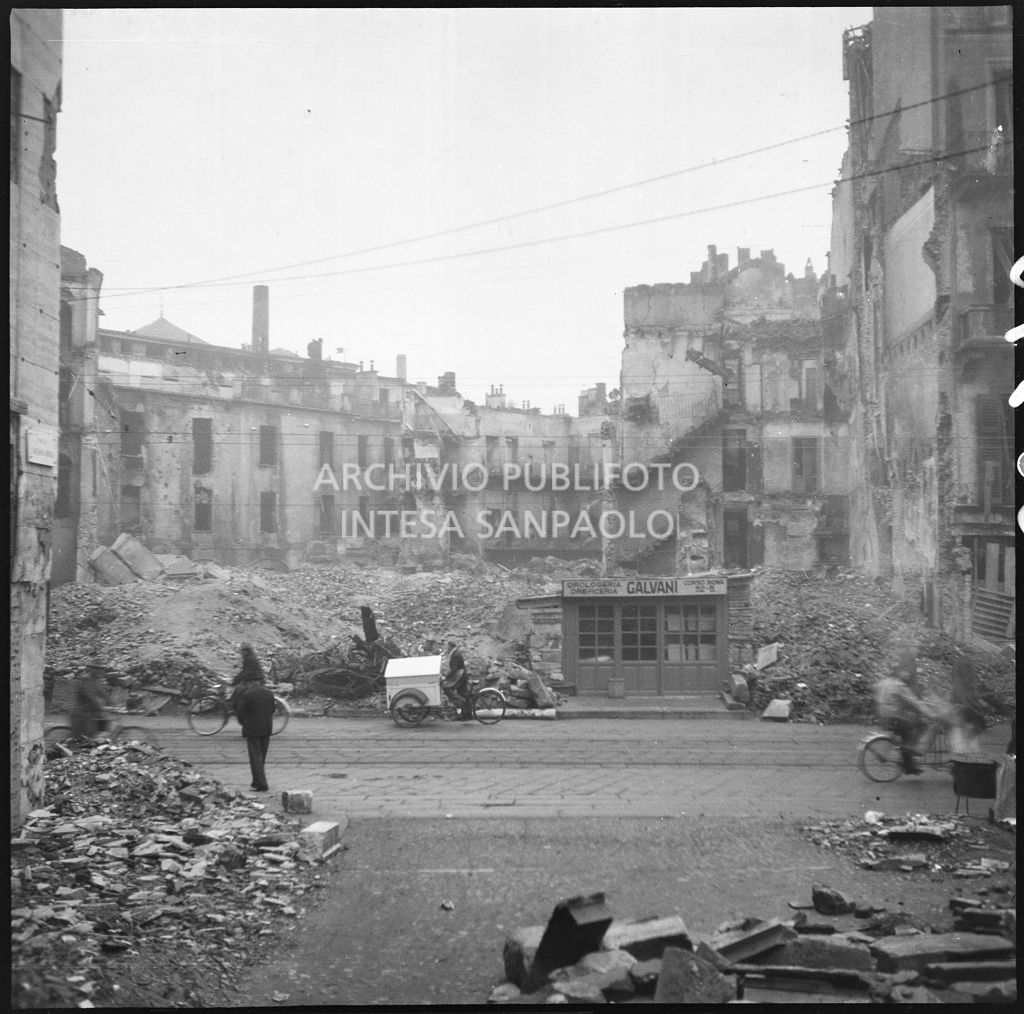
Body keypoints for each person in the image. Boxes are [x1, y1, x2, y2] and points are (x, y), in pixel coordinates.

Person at [874, 652, 933, 775]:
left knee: (907, 728)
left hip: (883, 717)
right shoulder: (899, 685)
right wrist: (930, 714)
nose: (908, 674)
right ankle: (910, 759)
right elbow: (915, 702)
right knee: (920, 725)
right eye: (905, 671)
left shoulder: (884, 682)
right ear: (900, 672)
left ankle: (909, 760)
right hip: (894, 717)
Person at [234, 676, 276, 792]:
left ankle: (262, 784)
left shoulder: (247, 695)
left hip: (252, 729)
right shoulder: (269, 693)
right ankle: (257, 781)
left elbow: (240, 713)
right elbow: (273, 709)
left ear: (252, 682)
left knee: (255, 757)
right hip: (267, 728)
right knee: (261, 756)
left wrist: (244, 723)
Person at [441, 641, 471, 721]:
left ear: (451, 646)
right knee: (463, 693)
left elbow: (454, 669)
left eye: (447, 646)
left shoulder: (455, 655)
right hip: (462, 674)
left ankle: (460, 702)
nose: (447, 648)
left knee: (447, 687)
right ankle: (466, 715)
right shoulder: (456, 653)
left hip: (459, 675)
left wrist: (446, 677)